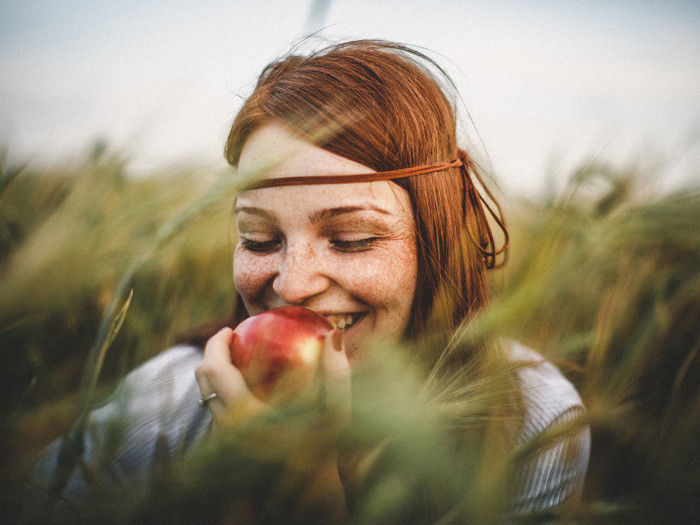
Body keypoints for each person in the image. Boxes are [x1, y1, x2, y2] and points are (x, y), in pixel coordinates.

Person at [21, 39, 589, 522]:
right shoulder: (164, 406)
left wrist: (308, 501)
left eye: (353, 239)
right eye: (260, 238)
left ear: (437, 240)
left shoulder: (527, 420)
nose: (292, 287)